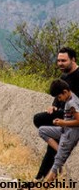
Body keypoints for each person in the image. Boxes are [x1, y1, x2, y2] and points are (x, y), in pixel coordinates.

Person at [33, 47, 79, 180]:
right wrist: (53, 107)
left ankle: (40, 178)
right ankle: (42, 177)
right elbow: (57, 98)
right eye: (58, 60)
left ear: (73, 60)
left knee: (40, 121)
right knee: (41, 123)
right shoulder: (64, 76)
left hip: (71, 117)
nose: (60, 63)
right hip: (62, 114)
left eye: (63, 60)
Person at [38, 79, 79, 182]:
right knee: (42, 130)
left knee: (57, 163)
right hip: (64, 129)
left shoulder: (72, 103)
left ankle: (43, 187)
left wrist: (63, 123)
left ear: (65, 92)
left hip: (70, 133)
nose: (59, 100)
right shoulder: (70, 98)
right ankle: (59, 151)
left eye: (59, 97)